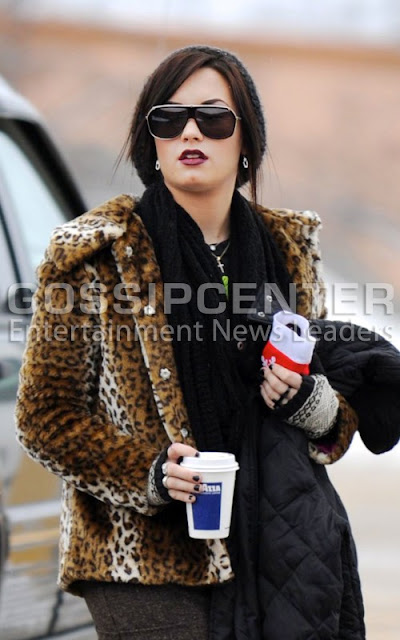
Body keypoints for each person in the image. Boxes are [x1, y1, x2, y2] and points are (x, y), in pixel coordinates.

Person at [15, 45, 400, 640]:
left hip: (270, 541)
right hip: (139, 560)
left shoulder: (289, 249)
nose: (191, 132)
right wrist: (148, 473)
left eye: (214, 118)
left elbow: (332, 423)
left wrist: (311, 404)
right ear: (151, 141)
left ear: (246, 140)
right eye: (169, 119)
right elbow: (44, 417)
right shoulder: (95, 253)